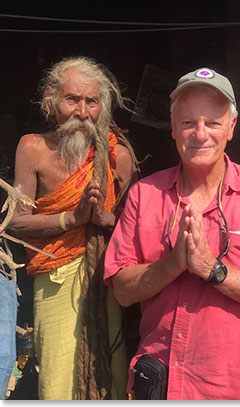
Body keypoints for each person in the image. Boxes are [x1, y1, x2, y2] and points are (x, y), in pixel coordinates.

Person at [103, 67, 240, 400]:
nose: (200, 133)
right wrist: (172, 264)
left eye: (213, 122)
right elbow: (122, 290)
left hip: (231, 386)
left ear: (231, 128)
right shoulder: (145, 194)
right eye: (188, 122)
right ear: (173, 130)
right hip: (159, 381)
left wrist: (214, 270)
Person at [8, 56, 138, 400]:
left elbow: (136, 226)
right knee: (57, 376)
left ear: (102, 107)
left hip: (105, 278)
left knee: (109, 369)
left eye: (91, 101)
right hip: (53, 279)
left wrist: (106, 219)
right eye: (72, 99)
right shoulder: (32, 148)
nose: (82, 112)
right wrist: (72, 219)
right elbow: (16, 222)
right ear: (51, 102)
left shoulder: (117, 155)